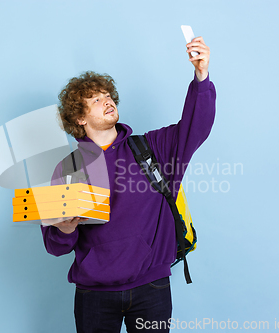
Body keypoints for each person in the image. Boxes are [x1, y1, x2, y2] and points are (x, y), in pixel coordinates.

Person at [41, 37, 216, 332]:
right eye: (95, 99)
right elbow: (55, 246)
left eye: (108, 95)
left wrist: (201, 78)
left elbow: (195, 126)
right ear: (80, 118)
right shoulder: (68, 169)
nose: (107, 100)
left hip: (152, 287)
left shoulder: (152, 147)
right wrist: (65, 228)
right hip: (93, 294)